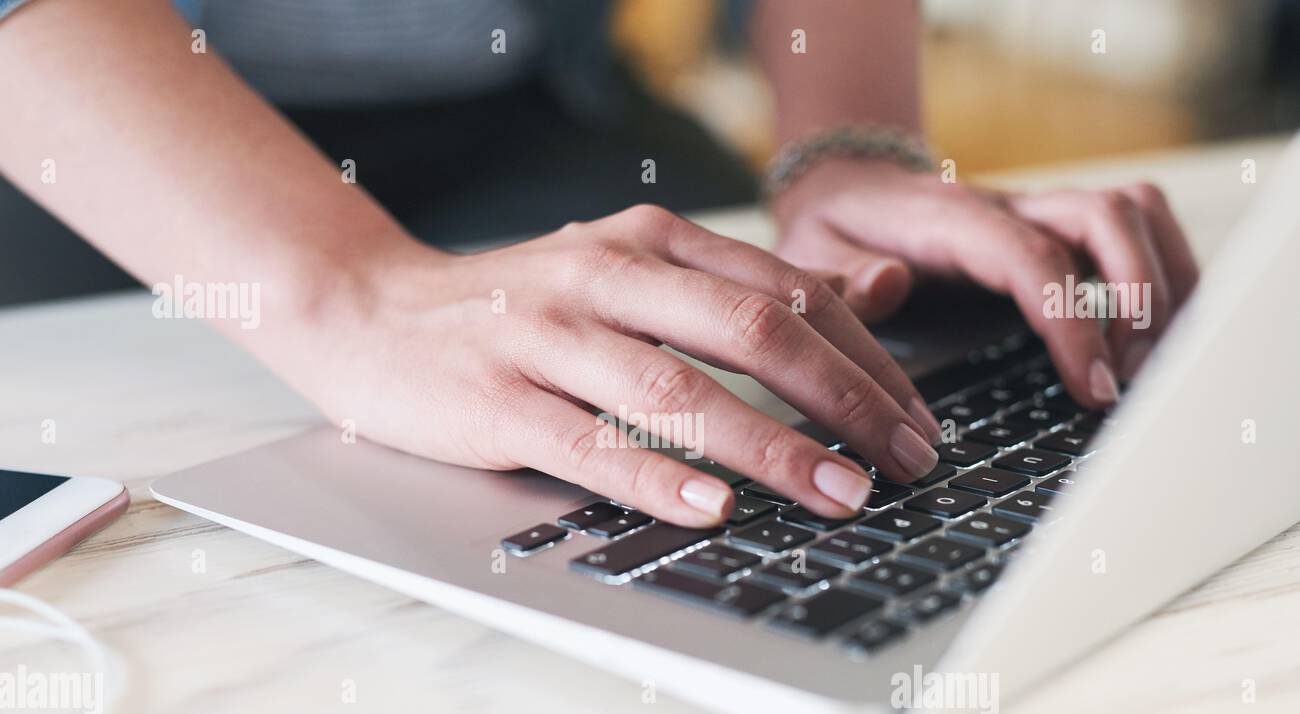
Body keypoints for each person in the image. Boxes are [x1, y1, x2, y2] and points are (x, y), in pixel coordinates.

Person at [0, 0, 1197, 528]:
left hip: (524, 105)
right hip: (93, 144)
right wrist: (348, 293)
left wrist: (847, 145)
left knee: (789, 378)